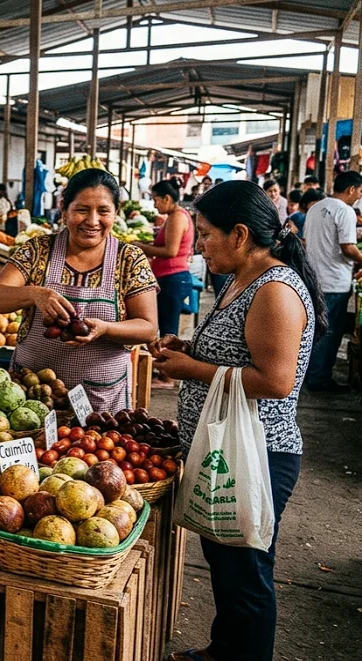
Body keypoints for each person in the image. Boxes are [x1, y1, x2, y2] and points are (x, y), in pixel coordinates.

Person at [152, 180, 323, 661]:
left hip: (260, 452)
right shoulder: (238, 281)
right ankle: (225, 649)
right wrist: (189, 350)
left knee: (246, 570)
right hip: (226, 447)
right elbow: (235, 356)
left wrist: (192, 370)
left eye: (205, 234)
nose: (198, 244)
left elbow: (275, 380)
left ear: (240, 235)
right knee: (226, 563)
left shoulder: (275, 290)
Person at [0, 169, 159, 412]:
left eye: (103, 211)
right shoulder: (38, 250)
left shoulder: (129, 259)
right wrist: (36, 294)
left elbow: (148, 328)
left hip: (100, 399)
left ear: (116, 213)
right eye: (82, 210)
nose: (92, 221)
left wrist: (105, 329)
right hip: (31, 397)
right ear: (64, 209)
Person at [299, 170, 362, 391]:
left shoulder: (315, 208)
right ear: (351, 189)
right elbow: (347, 247)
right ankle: (319, 379)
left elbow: (307, 241)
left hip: (314, 280)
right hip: (335, 282)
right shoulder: (345, 211)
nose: (358, 196)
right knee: (329, 332)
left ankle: (310, 375)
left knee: (315, 331)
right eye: (360, 192)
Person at [134, 180, 194, 388]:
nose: (155, 205)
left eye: (156, 199)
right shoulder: (174, 217)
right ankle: (165, 372)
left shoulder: (177, 217)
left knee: (168, 329)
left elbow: (170, 251)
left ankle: (168, 377)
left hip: (173, 278)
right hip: (170, 278)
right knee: (164, 326)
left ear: (167, 198)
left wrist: (141, 247)